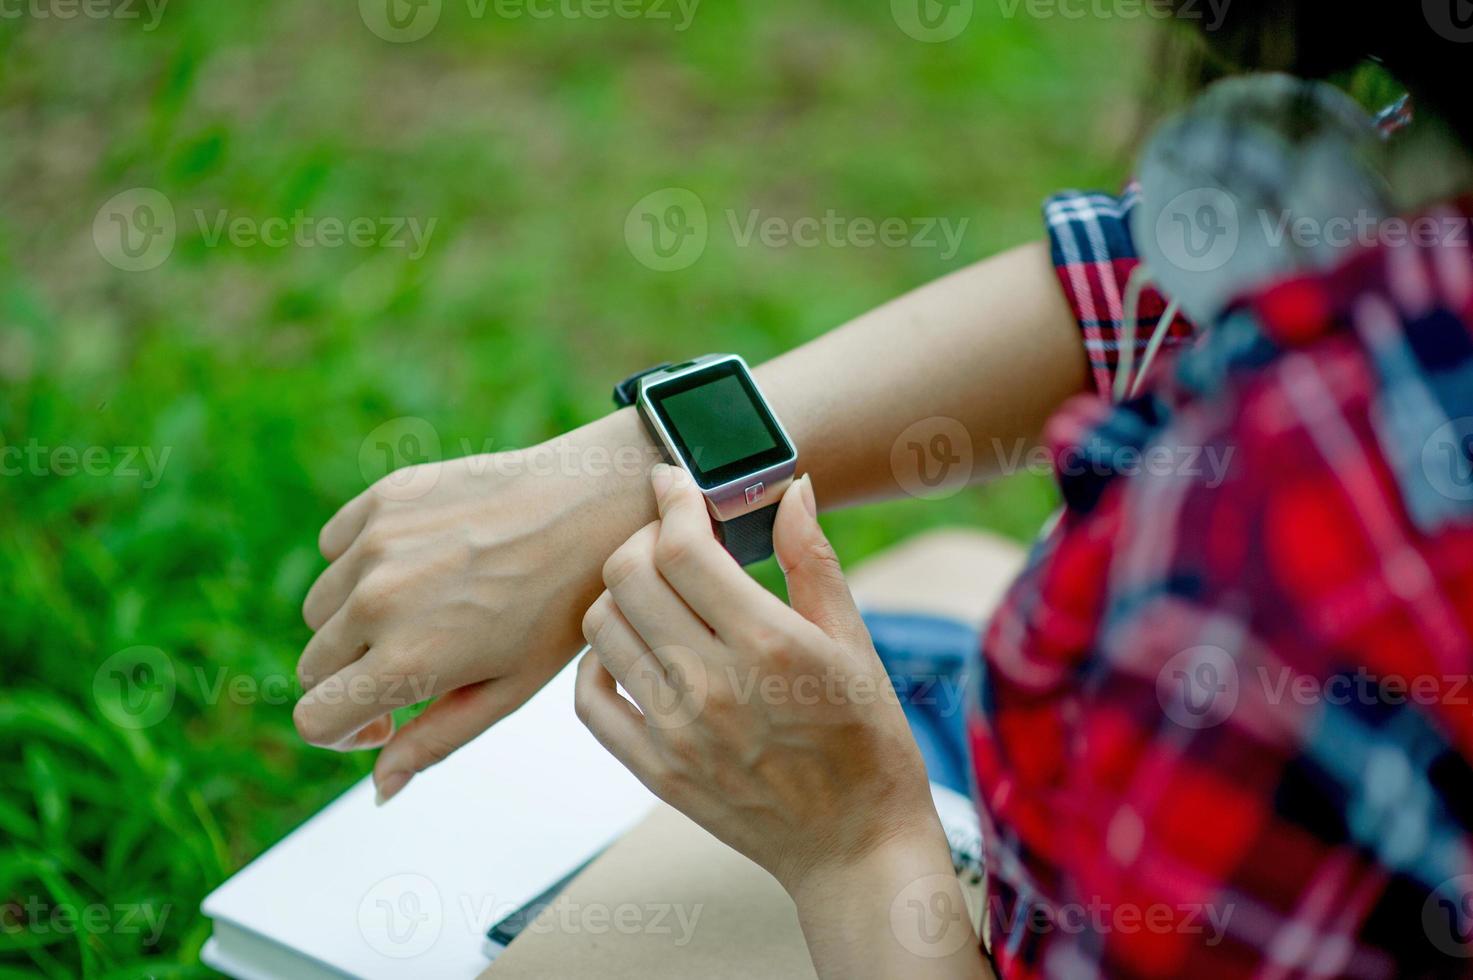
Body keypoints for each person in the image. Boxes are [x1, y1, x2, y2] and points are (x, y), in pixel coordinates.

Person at [291, 4, 1473, 976]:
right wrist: (619, 474)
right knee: (947, 571)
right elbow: (1145, 276)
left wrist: (855, 844)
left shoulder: (1264, 559)